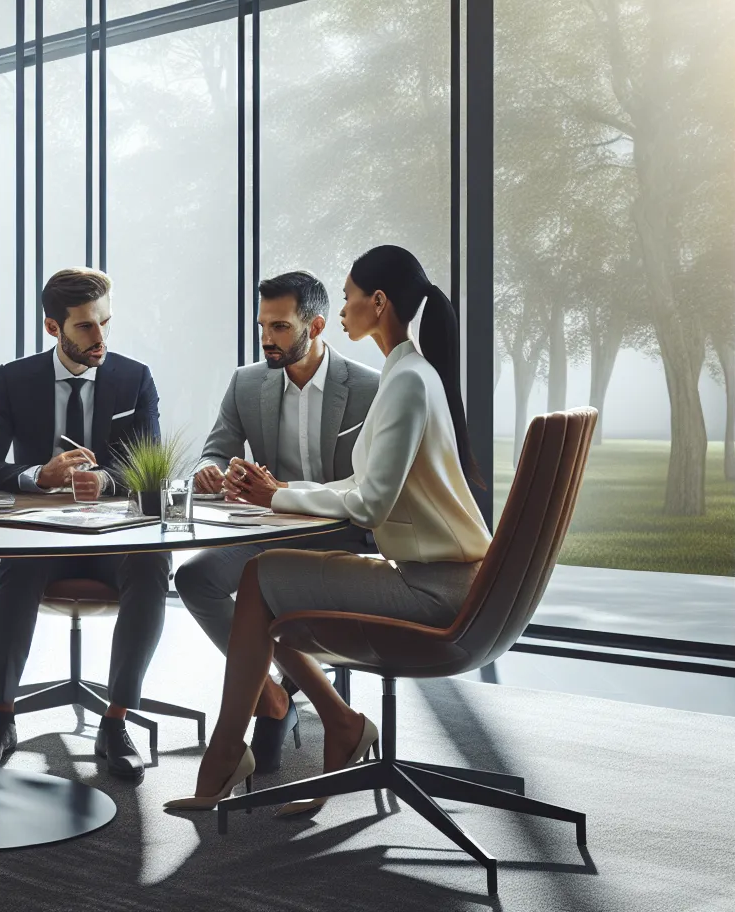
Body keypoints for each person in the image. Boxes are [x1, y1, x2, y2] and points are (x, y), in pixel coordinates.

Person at [167, 244, 492, 813]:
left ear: (379, 302)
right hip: (436, 575)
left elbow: (366, 506)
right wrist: (272, 495)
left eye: (348, 298)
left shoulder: (402, 381)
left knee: (261, 581)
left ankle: (230, 751)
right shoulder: (410, 373)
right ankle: (328, 724)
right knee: (258, 579)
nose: (344, 310)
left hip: (432, 588)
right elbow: (365, 487)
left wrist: (280, 495)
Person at [0, 267, 169, 780]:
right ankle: (1, 716)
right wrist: (38, 475)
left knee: (152, 566)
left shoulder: (134, 377)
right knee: (19, 564)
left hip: (110, 535)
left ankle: (116, 718)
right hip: (43, 534)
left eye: (105, 323)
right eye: (85, 327)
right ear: (54, 328)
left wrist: (106, 480)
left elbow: (151, 465)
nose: (100, 338)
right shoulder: (14, 378)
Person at [175, 271, 379, 773]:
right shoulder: (247, 383)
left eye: (281, 327)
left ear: (316, 325)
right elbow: (217, 449)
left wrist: (285, 495)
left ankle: (273, 718)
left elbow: (371, 487)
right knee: (195, 577)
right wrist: (212, 470)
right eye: (263, 326)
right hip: (268, 533)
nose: (267, 338)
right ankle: (269, 696)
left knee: (256, 587)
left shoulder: (370, 389)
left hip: (344, 533)